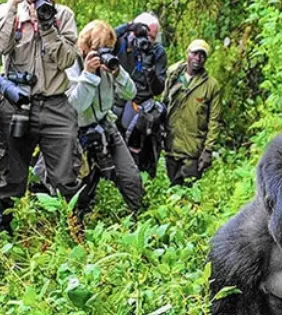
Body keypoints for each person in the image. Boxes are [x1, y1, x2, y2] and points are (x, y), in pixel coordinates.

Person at [0, 0, 80, 235]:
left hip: (55, 102)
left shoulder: (63, 16)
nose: (45, 0)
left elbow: (66, 59)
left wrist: (48, 26)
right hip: (18, 103)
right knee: (12, 175)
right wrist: (13, 5)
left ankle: (73, 229)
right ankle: (2, 232)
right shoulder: (9, 13)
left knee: (66, 175)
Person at [64, 20, 144, 213]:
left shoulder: (109, 64)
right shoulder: (71, 64)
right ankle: (77, 224)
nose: (104, 54)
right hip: (78, 132)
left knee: (130, 176)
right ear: (86, 46)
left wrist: (118, 74)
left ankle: (140, 217)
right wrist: (89, 74)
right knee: (81, 186)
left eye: (109, 49)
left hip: (105, 126)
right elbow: (76, 106)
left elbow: (131, 93)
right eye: (100, 49)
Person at [113, 13, 168, 177]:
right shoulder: (122, 43)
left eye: (152, 37)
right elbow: (98, 41)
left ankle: (142, 180)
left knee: (142, 156)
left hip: (142, 108)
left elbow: (158, 89)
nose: (148, 41)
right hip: (117, 104)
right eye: (145, 35)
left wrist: (149, 69)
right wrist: (128, 26)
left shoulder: (157, 52)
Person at [162, 39, 222, 186]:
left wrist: (208, 150)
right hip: (171, 147)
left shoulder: (211, 85)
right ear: (187, 54)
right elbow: (163, 104)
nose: (198, 58)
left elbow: (214, 121)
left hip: (193, 152)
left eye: (202, 55)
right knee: (173, 190)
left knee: (189, 194)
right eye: (195, 53)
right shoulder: (173, 76)